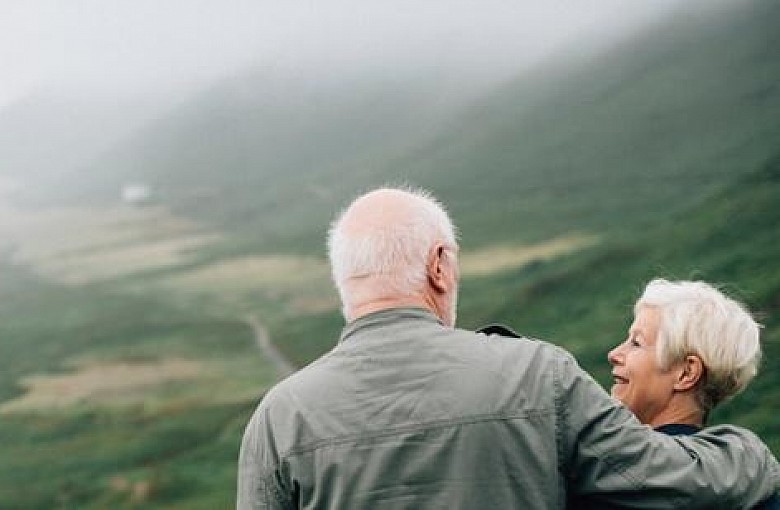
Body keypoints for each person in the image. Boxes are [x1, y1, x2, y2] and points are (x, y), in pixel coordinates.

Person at [237, 187, 779, 509]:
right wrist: (750, 453)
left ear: (344, 282)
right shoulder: (538, 374)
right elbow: (674, 479)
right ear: (440, 265)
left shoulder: (277, 419)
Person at [572, 279, 779, 509]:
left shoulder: (605, 486)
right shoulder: (753, 488)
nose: (614, 353)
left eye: (637, 343)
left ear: (686, 373)